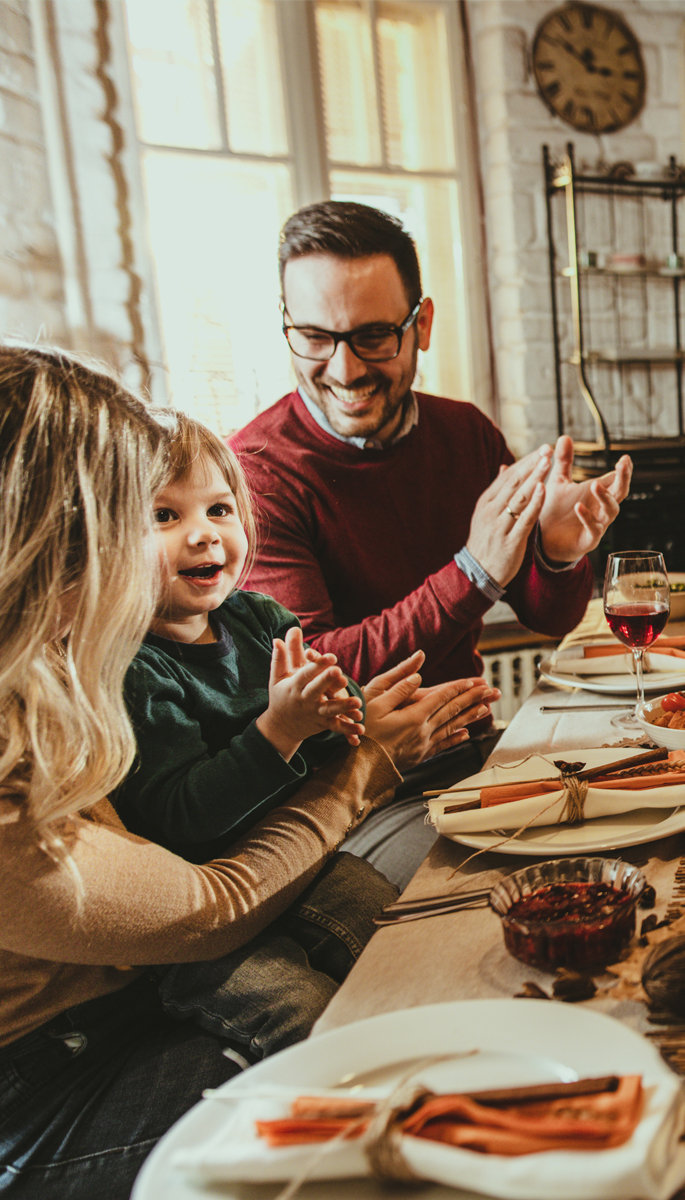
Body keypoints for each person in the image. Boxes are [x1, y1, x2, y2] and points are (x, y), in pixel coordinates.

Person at [0, 346, 483, 1198]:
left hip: (134, 995)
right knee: (370, 1099)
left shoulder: (60, 669)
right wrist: (364, 765)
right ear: (45, 547)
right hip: (56, 1087)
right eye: (129, 519)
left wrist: (347, 725)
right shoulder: (108, 677)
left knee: (421, 962)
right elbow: (205, 909)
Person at [230, 200, 632, 883]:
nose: (344, 369)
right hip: (353, 795)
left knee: (634, 836)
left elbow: (549, 616)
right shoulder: (256, 472)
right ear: (287, 326)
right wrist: (472, 572)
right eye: (314, 337)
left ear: (423, 325)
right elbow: (319, 672)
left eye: (374, 336)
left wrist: (558, 553)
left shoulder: (463, 432)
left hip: (475, 755)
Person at [113, 413, 414, 1059]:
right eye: (165, 517)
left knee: (398, 937)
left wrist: (339, 706)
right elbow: (183, 812)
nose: (204, 534)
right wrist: (278, 729)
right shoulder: (135, 666)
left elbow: (341, 724)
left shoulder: (261, 618)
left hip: (302, 867)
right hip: (207, 908)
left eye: (219, 509)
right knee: (301, 1013)